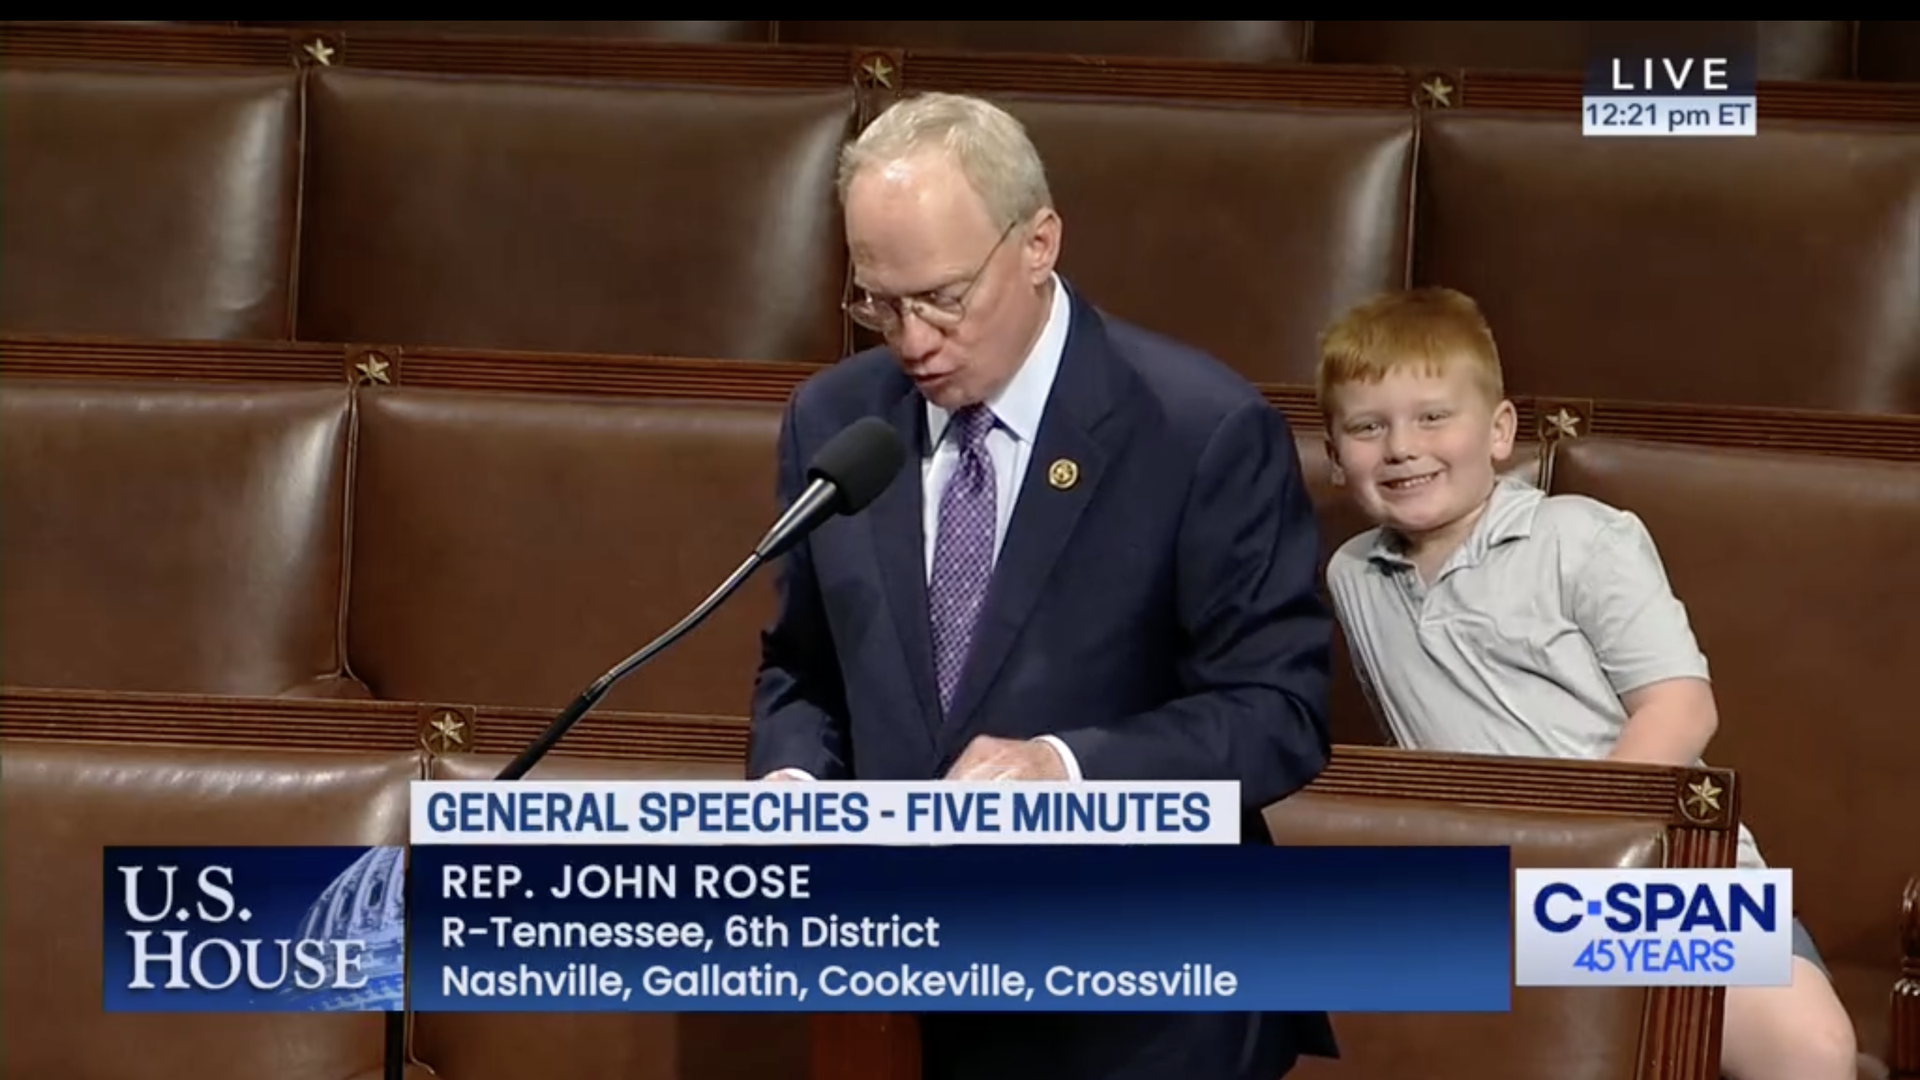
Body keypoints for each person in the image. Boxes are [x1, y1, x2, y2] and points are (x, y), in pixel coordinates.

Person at [747, 91, 1339, 1080]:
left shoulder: (1199, 430)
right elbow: (803, 670)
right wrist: (794, 786)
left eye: (943, 297)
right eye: (879, 304)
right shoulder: (836, 422)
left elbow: (1278, 712)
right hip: (906, 999)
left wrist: (1069, 770)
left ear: (1038, 244)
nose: (912, 340)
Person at [1315, 286, 1862, 1080]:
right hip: (1475, 888)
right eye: (1368, 427)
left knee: (1808, 1050)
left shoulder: (1581, 537)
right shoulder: (1353, 573)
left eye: (1433, 417)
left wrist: (1579, 853)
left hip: (1631, 875)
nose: (1402, 447)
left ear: (1500, 431)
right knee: (1183, 945)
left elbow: (1682, 707)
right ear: (1335, 457)